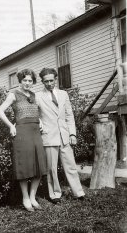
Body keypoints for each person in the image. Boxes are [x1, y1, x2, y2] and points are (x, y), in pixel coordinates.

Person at [0, 69, 46, 212]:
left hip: (36, 131)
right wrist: (11, 125)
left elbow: (35, 111)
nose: (27, 83)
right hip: (22, 133)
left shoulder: (33, 95)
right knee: (24, 167)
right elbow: (0, 111)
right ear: (20, 81)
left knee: (38, 166)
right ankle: (25, 198)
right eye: (25, 80)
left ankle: (32, 197)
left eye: (30, 81)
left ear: (33, 82)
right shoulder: (13, 94)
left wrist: (40, 121)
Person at [36, 67, 85, 204]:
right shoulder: (38, 96)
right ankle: (55, 195)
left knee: (70, 165)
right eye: (46, 81)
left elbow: (69, 115)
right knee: (52, 168)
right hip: (48, 136)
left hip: (64, 135)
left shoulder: (63, 94)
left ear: (56, 79)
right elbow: (34, 113)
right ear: (42, 82)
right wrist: (39, 122)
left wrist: (72, 133)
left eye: (51, 80)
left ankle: (78, 192)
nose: (49, 83)